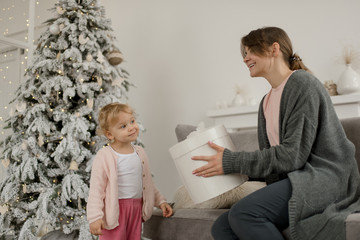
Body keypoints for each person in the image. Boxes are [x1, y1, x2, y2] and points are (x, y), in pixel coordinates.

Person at [192, 27, 360, 240]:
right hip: (298, 178)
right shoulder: (266, 102)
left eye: (250, 50)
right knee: (221, 228)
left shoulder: (302, 84)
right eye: (243, 54)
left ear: (274, 49)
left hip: (326, 178)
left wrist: (232, 161)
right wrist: (230, 169)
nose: (245, 58)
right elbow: (275, 166)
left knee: (244, 214)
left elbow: (292, 155)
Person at [87, 103, 173, 239]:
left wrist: (161, 201)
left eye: (132, 121)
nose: (131, 127)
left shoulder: (140, 153)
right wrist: (94, 217)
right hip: (115, 211)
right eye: (123, 126)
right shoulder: (104, 155)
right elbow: (96, 190)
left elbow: (148, 184)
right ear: (110, 134)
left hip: (136, 209)